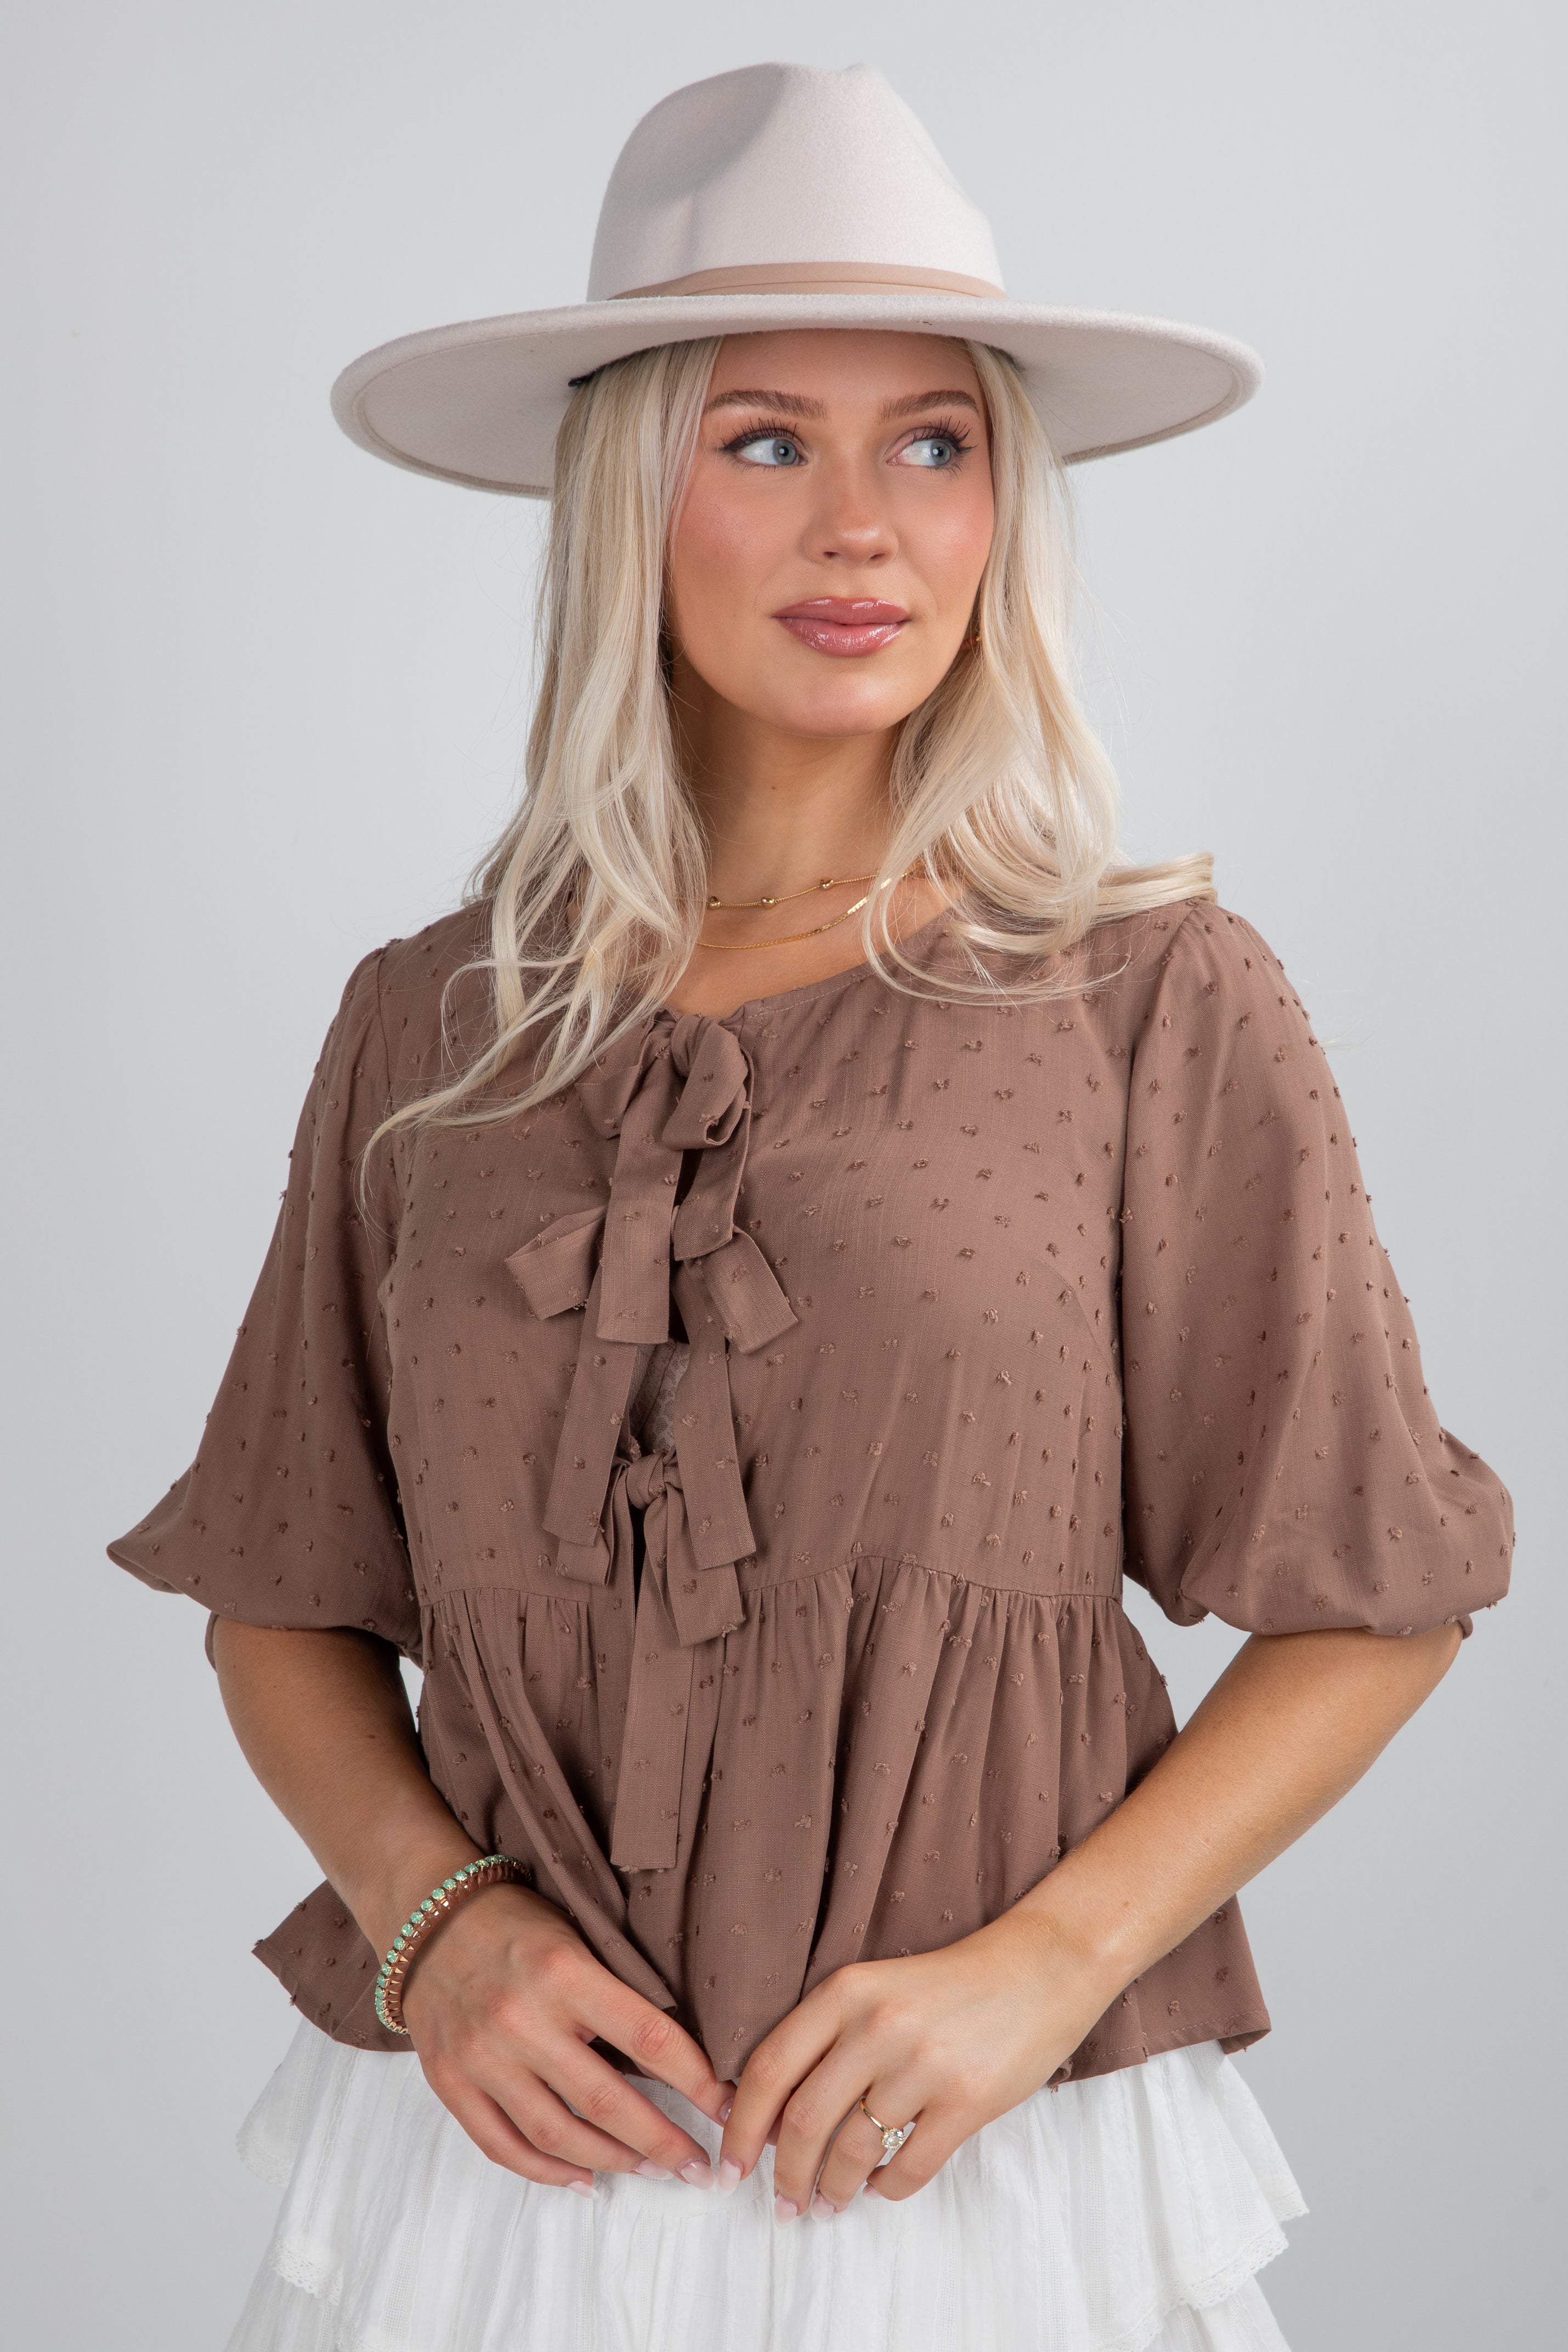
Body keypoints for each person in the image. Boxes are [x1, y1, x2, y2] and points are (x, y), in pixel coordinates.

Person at [110, 61, 1513, 2352]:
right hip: (482, 2190)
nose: (862, 525)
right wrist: (430, 1918)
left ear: (1001, 506)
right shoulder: (430, 1028)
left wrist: (1043, 1971)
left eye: (932, 443)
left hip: (981, 2182)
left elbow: (1375, 1593)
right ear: (626, 492)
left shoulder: (1148, 1000)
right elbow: (280, 1586)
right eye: (764, 439)